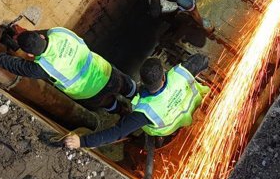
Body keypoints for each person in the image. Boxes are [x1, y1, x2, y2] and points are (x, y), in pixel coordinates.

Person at [0, 26, 137, 114]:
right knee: (125, 85)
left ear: (30, 54)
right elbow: (43, 32)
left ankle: (120, 111)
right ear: (40, 37)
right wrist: (25, 33)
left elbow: (14, 65)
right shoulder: (60, 32)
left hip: (90, 93)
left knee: (107, 103)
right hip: (106, 72)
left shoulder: (43, 68)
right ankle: (136, 95)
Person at [63, 54, 210, 149]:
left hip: (169, 128)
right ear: (163, 76)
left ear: (143, 82)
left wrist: (81, 142)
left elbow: (117, 133)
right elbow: (202, 60)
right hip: (194, 110)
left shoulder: (144, 112)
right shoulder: (180, 73)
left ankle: (120, 110)